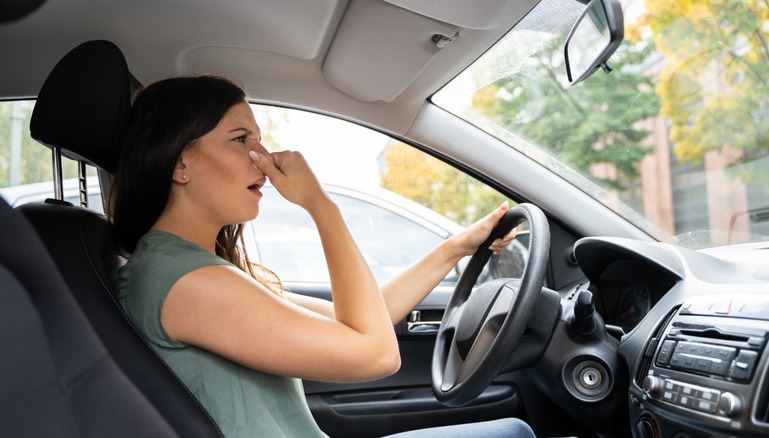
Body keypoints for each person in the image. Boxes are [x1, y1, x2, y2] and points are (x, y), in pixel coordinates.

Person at [110, 75, 535, 438]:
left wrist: (456, 248)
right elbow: (378, 354)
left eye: (258, 138)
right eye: (241, 139)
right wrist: (320, 206)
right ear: (180, 164)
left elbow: (362, 317)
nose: (264, 156)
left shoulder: (186, 268)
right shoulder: (186, 281)